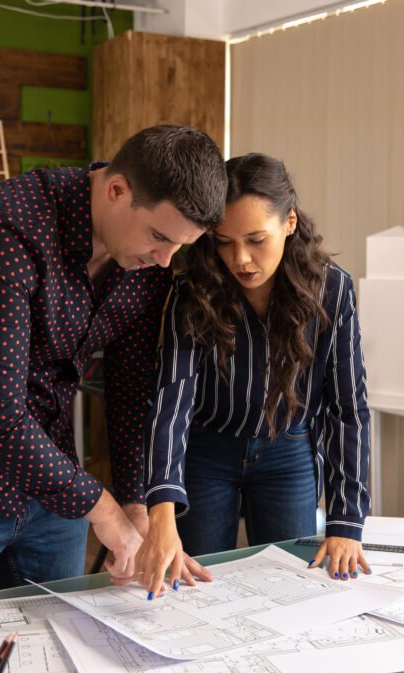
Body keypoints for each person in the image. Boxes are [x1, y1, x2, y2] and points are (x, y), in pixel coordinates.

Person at [0, 125, 227, 608]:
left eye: (180, 245)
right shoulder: (3, 229)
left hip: (46, 474)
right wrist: (105, 512)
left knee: (61, 641)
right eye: (159, 237)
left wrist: (136, 503)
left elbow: (132, 387)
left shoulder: (145, 263)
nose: (164, 260)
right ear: (116, 190)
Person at [135, 153, 372, 599]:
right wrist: (161, 512)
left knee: (288, 591)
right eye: (224, 242)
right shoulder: (193, 288)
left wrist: (346, 521)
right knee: (197, 590)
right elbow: (172, 399)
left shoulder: (333, 288)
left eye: (256, 239)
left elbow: (348, 406)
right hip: (207, 453)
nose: (240, 259)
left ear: (290, 222)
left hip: (289, 453)